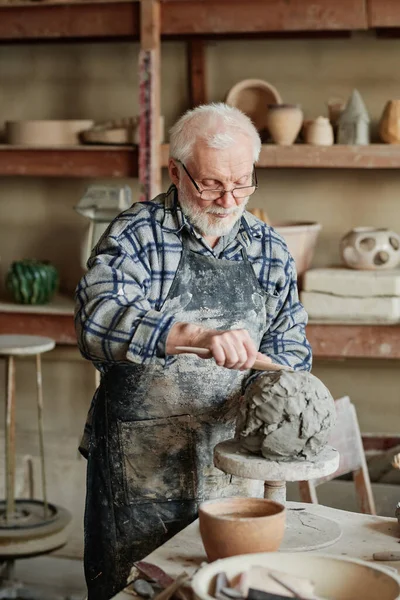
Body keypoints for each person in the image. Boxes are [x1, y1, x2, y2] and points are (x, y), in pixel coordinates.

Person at [75, 103, 312, 600]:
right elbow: (96, 320)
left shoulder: (270, 250)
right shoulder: (136, 236)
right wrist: (194, 336)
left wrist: (287, 390)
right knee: (137, 591)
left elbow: (289, 347)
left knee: (226, 591)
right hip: (141, 472)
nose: (228, 200)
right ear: (175, 172)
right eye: (211, 184)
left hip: (234, 469)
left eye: (243, 183)